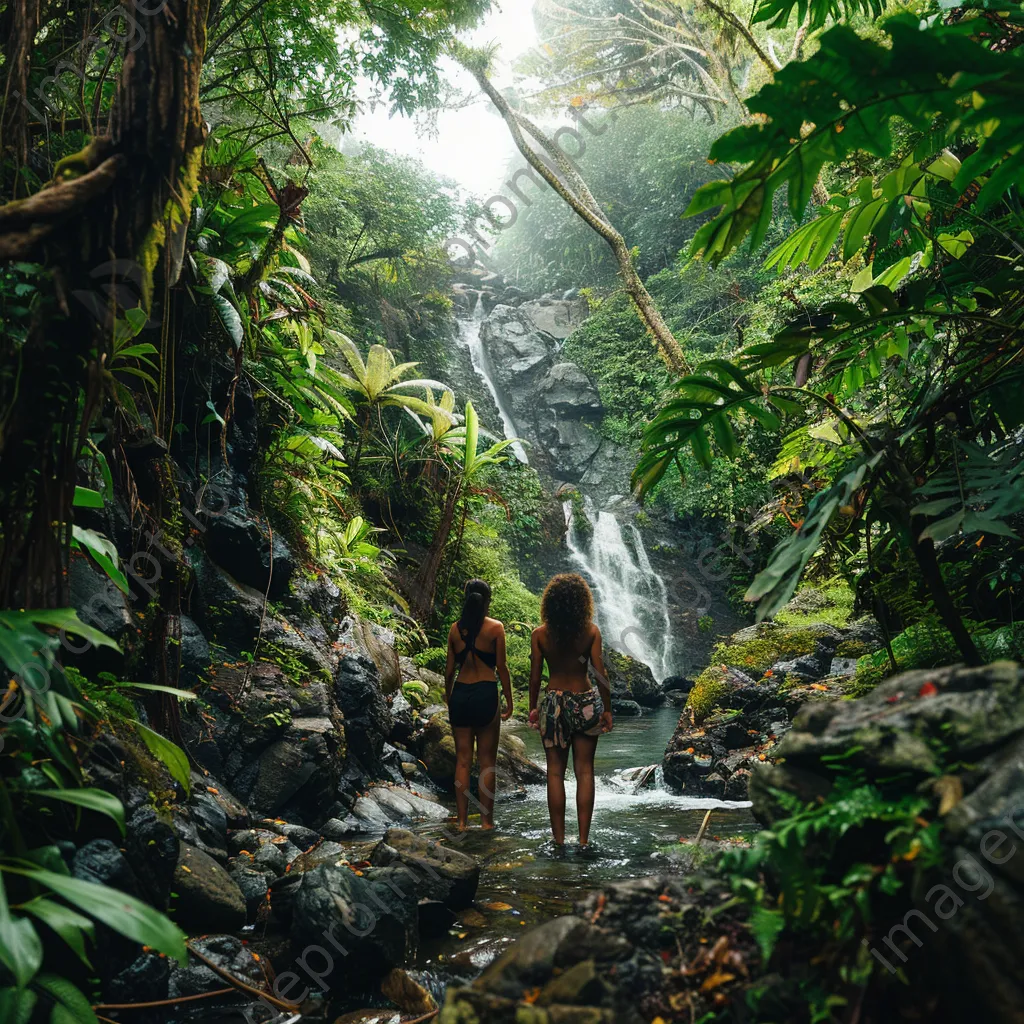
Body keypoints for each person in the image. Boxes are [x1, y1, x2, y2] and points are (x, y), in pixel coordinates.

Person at [528, 573, 613, 853]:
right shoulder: (590, 632)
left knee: (555, 773)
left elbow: (536, 675)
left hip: (554, 703)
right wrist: (608, 709)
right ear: (582, 603)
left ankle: (559, 841)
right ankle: (585, 841)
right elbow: (600, 674)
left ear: (550, 603)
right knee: (585, 772)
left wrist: (532, 707)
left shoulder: (540, 635)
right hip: (586, 702)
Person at [444, 578, 514, 830]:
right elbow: (502, 667)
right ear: (487, 601)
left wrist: (447, 695)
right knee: (487, 762)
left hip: (460, 695)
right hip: (486, 693)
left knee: (462, 760)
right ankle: (486, 822)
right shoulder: (496, 628)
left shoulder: (454, 629)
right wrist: (509, 700)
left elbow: (450, 671)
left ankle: (462, 823)